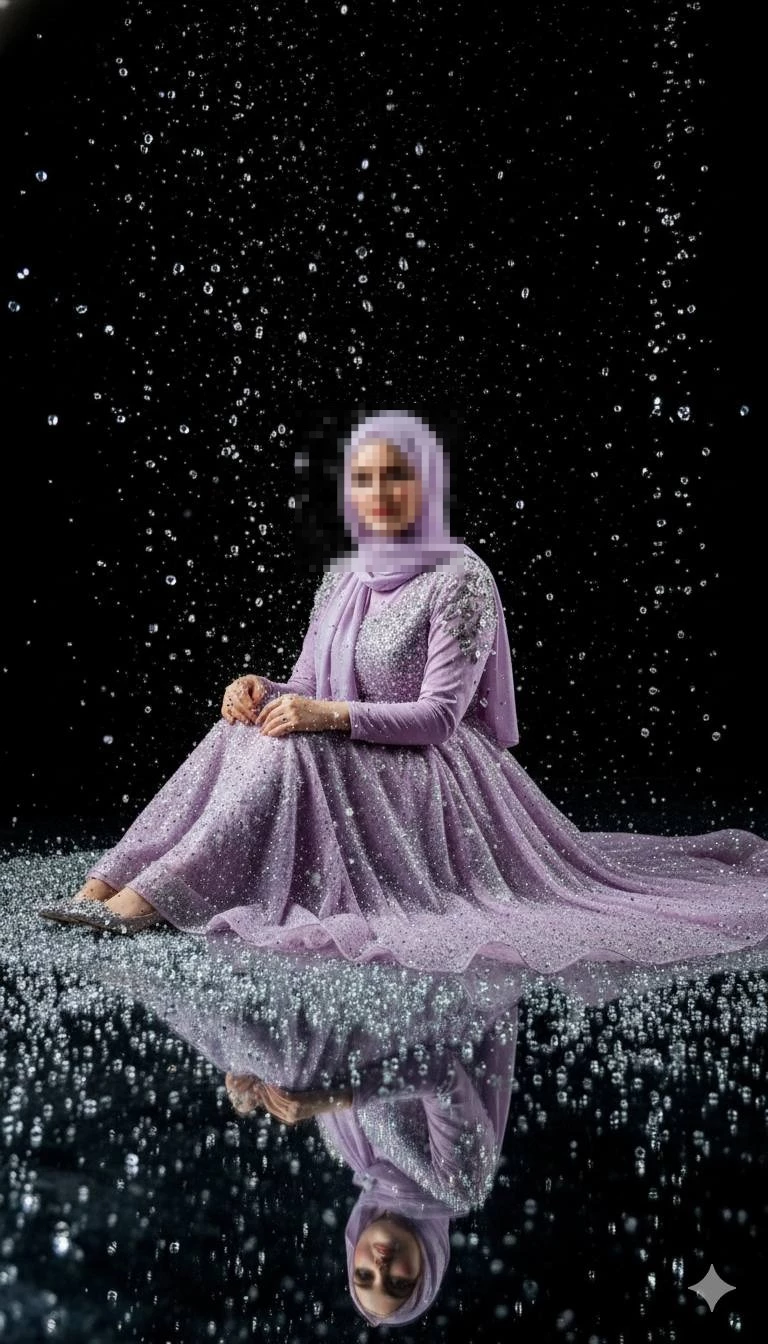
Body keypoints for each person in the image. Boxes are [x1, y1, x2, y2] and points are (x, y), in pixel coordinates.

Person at [40, 410, 768, 976]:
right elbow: (309, 684)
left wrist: (326, 714)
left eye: (397, 476)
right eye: (363, 479)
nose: (380, 495)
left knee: (298, 750)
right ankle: (108, 883)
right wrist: (259, 688)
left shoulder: (459, 576)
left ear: (429, 481)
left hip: (434, 772)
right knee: (241, 729)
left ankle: (152, 898)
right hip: (360, 753)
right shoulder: (346, 572)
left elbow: (440, 718)